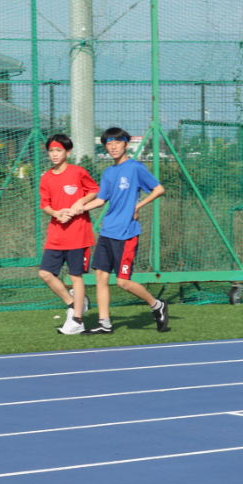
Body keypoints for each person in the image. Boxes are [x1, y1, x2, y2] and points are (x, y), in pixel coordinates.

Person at [78, 128, 169, 335]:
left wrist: (138, 206)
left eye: (117, 142)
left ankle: (157, 305)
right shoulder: (108, 172)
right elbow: (100, 200)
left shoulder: (135, 167)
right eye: (109, 144)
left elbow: (159, 189)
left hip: (126, 234)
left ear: (126, 145)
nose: (113, 147)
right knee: (100, 276)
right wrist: (78, 208)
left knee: (123, 282)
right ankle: (104, 323)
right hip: (107, 231)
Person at [36, 134, 98, 335]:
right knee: (45, 273)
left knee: (75, 276)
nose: (54, 154)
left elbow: (94, 190)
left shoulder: (78, 172)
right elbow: (45, 204)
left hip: (78, 234)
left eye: (59, 150)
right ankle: (74, 304)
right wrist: (56, 214)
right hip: (56, 235)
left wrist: (81, 202)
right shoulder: (46, 177)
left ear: (68, 152)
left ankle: (77, 321)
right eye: (51, 151)